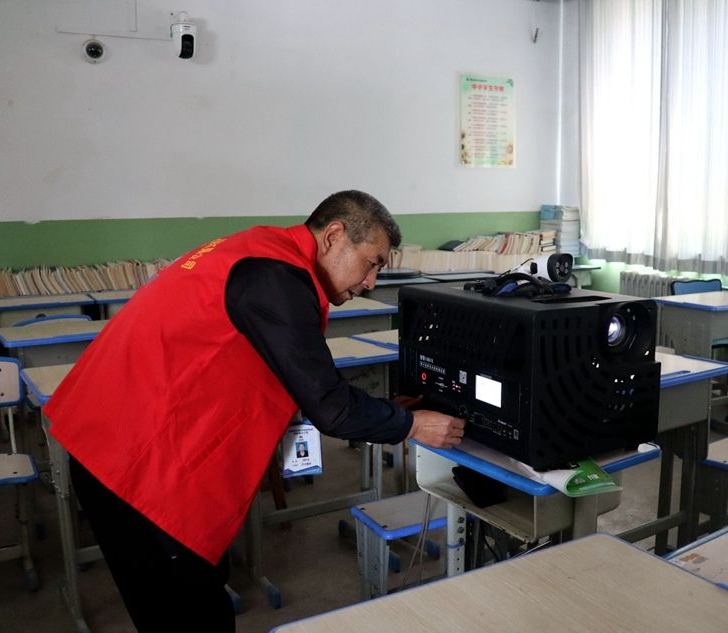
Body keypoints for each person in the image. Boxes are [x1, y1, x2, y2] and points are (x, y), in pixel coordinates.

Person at [43, 190, 465, 632]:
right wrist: (412, 425)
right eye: (372, 263)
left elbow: (300, 381)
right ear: (334, 236)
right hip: (133, 467)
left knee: (196, 596)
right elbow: (331, 408)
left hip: (118, 442)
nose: (371, 282)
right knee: (188, 614)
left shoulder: (263, 252)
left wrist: (382, 411)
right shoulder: (276, 277)